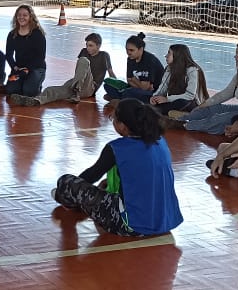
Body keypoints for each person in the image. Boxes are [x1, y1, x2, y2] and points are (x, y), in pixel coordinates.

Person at [52, 99, 183, 237]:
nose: (112, 121)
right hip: (166, 222)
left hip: (131, 225)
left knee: (66, 181)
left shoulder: (117, 148)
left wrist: (72, 190)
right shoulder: (160, 141)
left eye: (113, 119)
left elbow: (92, 175)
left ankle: (65, 197)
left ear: (123, 126)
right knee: (106, 185)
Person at [176, 40, 238, 131]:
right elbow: (224, 94)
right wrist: (202, 105)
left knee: (219, 119)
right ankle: (180, 119)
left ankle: (185, 126)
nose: (235, 56)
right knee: (210, 109)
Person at [11, 33, 115, 106]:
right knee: (51, 90)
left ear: (98, 46)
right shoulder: (84, 51)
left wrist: (117, 90)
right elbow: (79, 70)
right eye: (87, 45)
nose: (88, 48)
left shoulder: (104, 56)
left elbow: (111, 73)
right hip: (76, 82)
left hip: (90, 87)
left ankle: (76, 91)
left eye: (91, 46)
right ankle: (35, 101)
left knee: (84, 60)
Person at [103, 33, 164, 104]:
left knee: (128, 92)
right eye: (127, 50)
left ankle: (119, 98)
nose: (128, 53)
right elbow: (129, 80)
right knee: (107, 85)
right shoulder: (130, 59)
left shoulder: (149, 60)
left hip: (153, 93)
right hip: (137, 89)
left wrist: (134, 79)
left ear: (140, 49)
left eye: (131, 50)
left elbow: (145, 88)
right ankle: (122, 99)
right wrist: (138, 84)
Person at [149, 44, 209, 115]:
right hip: (173, 100)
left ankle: (156, 110)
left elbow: (190, 95)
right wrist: (154, 97)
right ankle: (156, 109)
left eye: (169, 53)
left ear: (177, 56)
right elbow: (163, 86)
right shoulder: (169, 68)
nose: (166, 56)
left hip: (191, 103)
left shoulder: (192, 70)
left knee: (181, 102)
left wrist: (167, 99)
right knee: (146, 98)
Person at [4, 5, 47, 98]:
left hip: (36, 68)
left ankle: (36, 85)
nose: (21, 17)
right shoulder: (12, 34)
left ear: (30, 17)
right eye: (19, 15)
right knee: (11, 90)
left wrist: (27, 69)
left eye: (25, 15)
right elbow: (8, 55)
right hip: (19, 69)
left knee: (28, 91)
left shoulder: (38, 34)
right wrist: (14, 67)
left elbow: (40, 57)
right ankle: (22, 83)